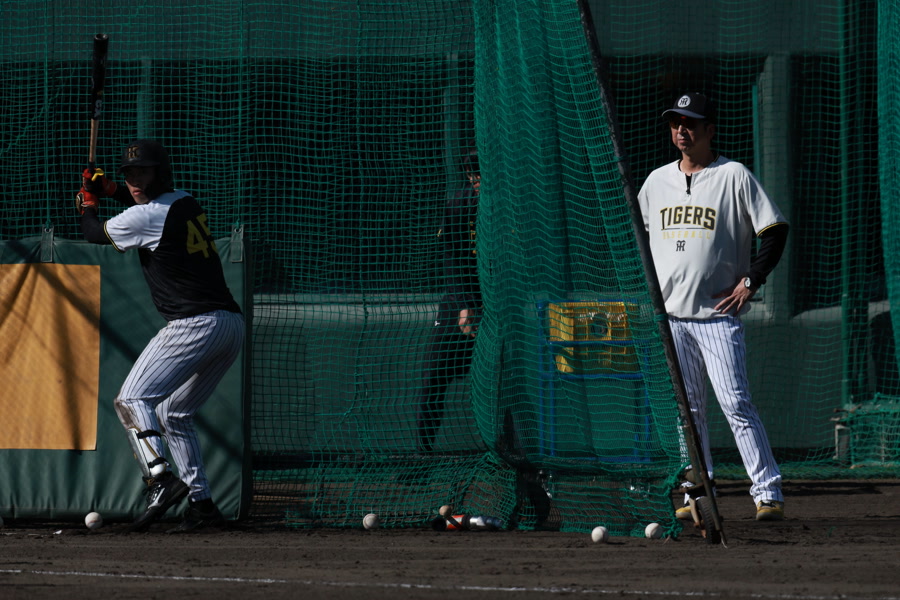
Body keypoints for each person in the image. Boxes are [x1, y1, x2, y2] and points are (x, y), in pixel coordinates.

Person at [76, 139, 244, 532]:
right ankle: (202, 506)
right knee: (174, 414)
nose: (135, 180)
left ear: (161, 173)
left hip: (194, 324)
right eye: (129, 174)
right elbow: (143, 205)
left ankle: (158, 476)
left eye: (143, 172)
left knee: (131, 399)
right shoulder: (184, 200)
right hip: (229, 325)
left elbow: (93, 234)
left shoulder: (146, 216)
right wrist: (110, 189)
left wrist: (88, 203)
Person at [637, 93, 789, 521]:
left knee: (736, 403)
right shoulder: (656, 182)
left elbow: (774, 229)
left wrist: (751, 279)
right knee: (688, 413)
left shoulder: (733, 175)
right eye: (675, 123)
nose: (681, 130)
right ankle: (697, 497)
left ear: (709, 130)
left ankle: (768, 492)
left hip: (717, 316)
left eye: (689, 123)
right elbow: (639, 237)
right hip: (671, 318)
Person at [415, 148, 481, 453]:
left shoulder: (508, 205)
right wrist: (465, 305)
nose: (478, 181)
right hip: (459, 307)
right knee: (432, 377)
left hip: (496, 309)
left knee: (505, 383)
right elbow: (452, 259)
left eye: (482, 174)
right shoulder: (458, 204)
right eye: (474, 175)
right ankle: (423, 453)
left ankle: (513, 454)